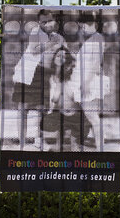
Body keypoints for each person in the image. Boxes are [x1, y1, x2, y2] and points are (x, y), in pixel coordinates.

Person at [11, 9, 64, 151]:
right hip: (27, 72)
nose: (46, 24)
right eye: (43, 21)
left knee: (42, 109)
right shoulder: (36, 31)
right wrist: (51, 44)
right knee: (23, 109)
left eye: (49, 21)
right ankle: (22, 143)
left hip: (44, 73)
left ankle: (38, 139)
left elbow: (62, 54)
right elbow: (34, 50)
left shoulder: (58, 37)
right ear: (39, 22)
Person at [70, 11, 110, 151]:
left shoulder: (97, 38)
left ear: (90, 24)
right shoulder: (92, 39)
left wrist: (85, 83)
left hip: (89, 83)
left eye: (83, 26)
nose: (83, 29)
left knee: (93, 118)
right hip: (86, 81)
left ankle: (100, 149)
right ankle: (97, 147)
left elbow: (95, 62)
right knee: (90, 117)